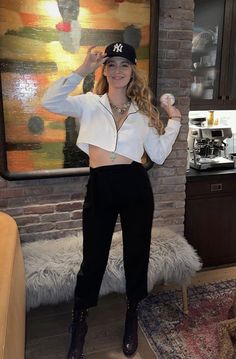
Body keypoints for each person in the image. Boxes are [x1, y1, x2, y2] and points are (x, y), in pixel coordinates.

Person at [42, 42, 181, 359]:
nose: (118, 70)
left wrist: (174, 122)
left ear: (133, 71)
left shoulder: (142, 112)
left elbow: (157, 153)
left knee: (137, 252)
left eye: (125, 65)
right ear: (104, 70)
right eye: (112, 64)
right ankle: (79, 320)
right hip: (102, 184)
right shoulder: (89, 104)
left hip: (135, 184)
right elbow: (50, 100)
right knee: (93, 256)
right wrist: (83, 69)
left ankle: (133, 312)